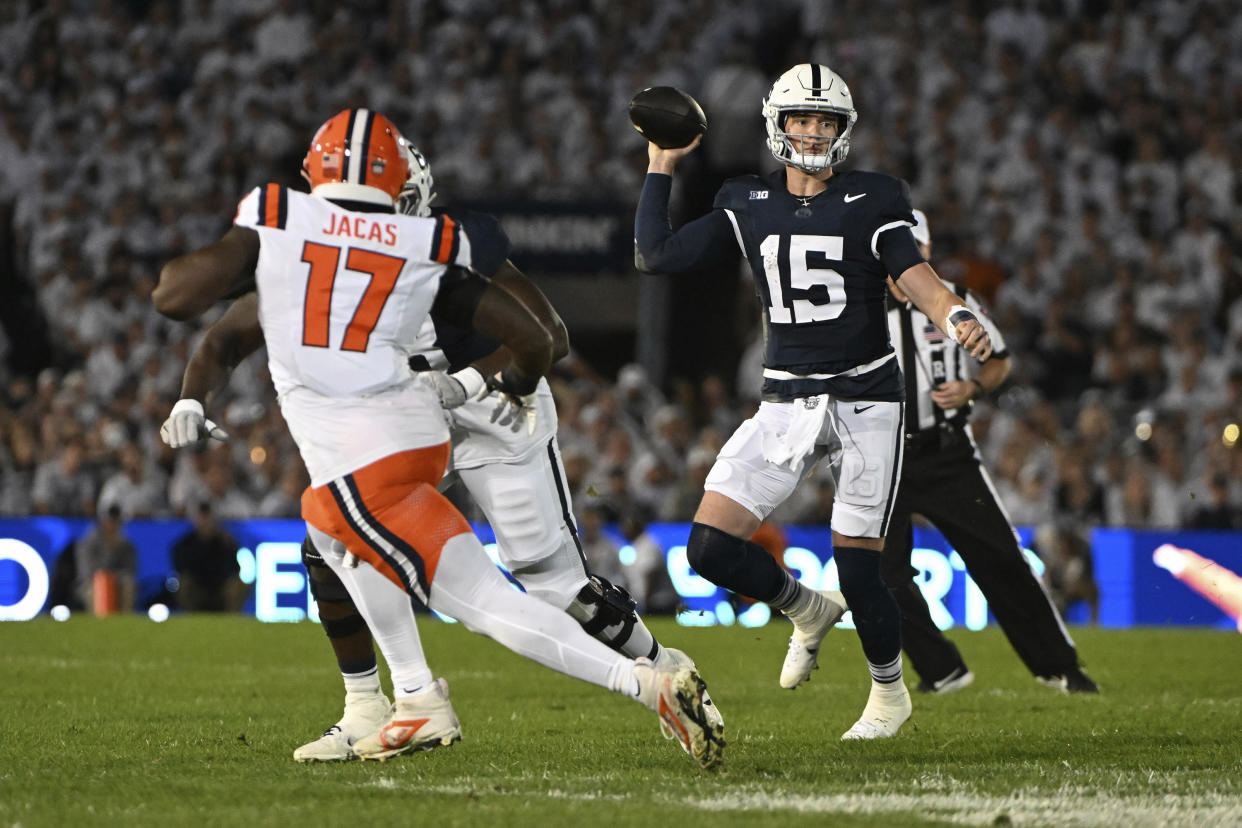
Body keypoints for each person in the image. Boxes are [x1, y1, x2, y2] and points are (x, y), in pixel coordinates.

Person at [152, 108, 723, 768]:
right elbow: (225, 336)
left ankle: (661, 670)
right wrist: (192, 392)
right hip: (406, 418)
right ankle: (374, 703)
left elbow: (548, 336)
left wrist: (472, 387)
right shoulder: (349, 250)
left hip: (488, 409)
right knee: (331, 540)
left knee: (554, 588)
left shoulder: (425, 240)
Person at [635, 63, 992, 740]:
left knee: (861, 568)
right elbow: (655, 255)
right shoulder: (746, 200)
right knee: (707, 548)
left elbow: (916, 276)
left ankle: (890, 697)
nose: (811, 132)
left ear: (842, 131)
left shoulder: (877, 197)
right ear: (778, 124)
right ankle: (804, 607)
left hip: (864, 399)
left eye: (824, 121)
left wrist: (952, 316)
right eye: (801, 119)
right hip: (785, 401)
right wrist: (660, 164)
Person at [881, 209, 1098, 695]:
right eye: (899, 248)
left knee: (1000, 560)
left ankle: (1060, 668)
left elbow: (999, 362)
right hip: (881, 457)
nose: (908, 258)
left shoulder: (959, 301)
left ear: (929, 252)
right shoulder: (859, 307)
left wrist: (972, 388)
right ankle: (940, 668)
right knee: (881, 571)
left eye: (917, 248)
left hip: (947, 453)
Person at [171, 500, 249, 612]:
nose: (205, 522)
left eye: (208, 518)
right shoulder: (186, 543)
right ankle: (189, 613)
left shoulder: (225, 542)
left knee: (239, 584)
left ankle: (232, 615)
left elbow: (235, 570)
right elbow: (181, 568)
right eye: (202, 518)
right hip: (197, 588)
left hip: (220, 588)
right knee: (183, 583)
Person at [75, 503, 136, 614]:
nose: (112, 524)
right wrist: (110, 550)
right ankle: (98, 622)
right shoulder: (89, 542)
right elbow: (86, 572)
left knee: (128, 584)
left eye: (115, 521)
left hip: (118, 580)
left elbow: (130, 569)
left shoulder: (126, 544)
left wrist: (114, 577)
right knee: (95, 590)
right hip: (91, 582)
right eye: (109, 520)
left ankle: (125, 621)